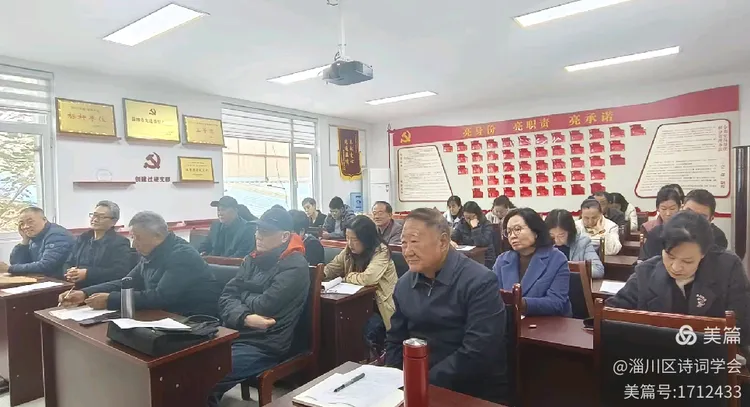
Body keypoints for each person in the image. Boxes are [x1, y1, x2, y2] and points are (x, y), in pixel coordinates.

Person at [386, 208, 507, 403]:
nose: (407, 252)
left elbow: (478, 351)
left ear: (443, 242)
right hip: (415, 383)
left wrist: (424, 382)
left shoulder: (480, 281)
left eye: (414, 242)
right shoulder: (404, 284)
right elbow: (395, 339)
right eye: (403, 243)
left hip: (469, 388)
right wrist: (393, 379)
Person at [210, 207, 310, 407]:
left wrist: (243, 293)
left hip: (264, 344)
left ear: (284, 236)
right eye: (257, 230)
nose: (258, 236)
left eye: (265, 232)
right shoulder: (252, 258)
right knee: (186, 368)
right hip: (235, 332)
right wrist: (245, 317)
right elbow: (226, 297)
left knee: (204, 377)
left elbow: (264, 306)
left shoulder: (295, 265)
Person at [607, 211, 750, 345]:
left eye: (687, 261)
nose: (675, 267)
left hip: (711, 355)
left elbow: (742, 327)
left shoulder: (728, 269)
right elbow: (611, 315)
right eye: (670, 256)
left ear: (704, 254)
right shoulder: (645, 273)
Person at [59, 211, 221, 317]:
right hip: (163, 314)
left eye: (137, 238)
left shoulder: (182, 255)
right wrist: (85, 293)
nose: (133, 244)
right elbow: (126, 282)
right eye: (132, 237)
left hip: (193, 318)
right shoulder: (151, 251)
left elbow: (161, 297)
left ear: (157, 236)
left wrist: (110, 299)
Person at [325, 215, 397, 357]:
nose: (350, 243)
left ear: (366, 239)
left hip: (380, 308)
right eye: (347, 238)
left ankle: (370, 359)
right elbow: (333, 267)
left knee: (364, 329)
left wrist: (348, 277)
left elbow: (368, 279)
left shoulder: (381, 251)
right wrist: (319, 276)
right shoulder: (348, 250)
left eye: (355, 239)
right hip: (356, 304)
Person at [494, 208, 572, 317]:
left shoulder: (557, 259)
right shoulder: (502, 260)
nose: (512, 236)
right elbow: (493, 295)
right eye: (509, 232)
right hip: (511, 321)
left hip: (548, 322)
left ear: (535, 232)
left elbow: (556, 302)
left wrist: (521, 303)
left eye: (517, 229)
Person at [639, 189, 729, 261]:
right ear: (681, 208)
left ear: (711, 219)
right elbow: (645, 267)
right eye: (689, 212)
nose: (693, 220)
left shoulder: (717, 237)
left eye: (701, 217)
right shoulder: (657, 234)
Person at [63, 201, 132, 288]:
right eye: (94, 215)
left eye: (101, 217)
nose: (95, 219)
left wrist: (87, 274)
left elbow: (119, 271)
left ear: (113, 221)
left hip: (100, 288)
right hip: (75, 286)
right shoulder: (83, 238)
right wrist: (69, 272)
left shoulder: (120, 242)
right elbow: (68, 262)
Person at [0, 207, 74, 278]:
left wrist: (10, 268)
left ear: (44, 220)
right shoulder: (35, 236)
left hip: (61, 280)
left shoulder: (56, 235)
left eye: (30, 222)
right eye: (22, 224)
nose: (25, 226)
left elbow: (46, 266)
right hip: (42, 278)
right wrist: (25, 241)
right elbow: (16, 263)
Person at [545, 209, 604, 279]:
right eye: (552, 235)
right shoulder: (544, 244)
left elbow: (598, 270)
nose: (556, 240)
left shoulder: (582, 242)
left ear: (570, 232)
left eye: (561, 235)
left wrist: (568, 269)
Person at [451, 201, 495, 267]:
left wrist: (475, 228)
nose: (469, 220)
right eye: (466, 217)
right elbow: (453, 237)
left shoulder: (486, 224)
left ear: (477, 215)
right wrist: (451, 241)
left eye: (471, 217)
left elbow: (480, 244)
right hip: (467, 258)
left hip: (485, 259)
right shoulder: (462, 223)